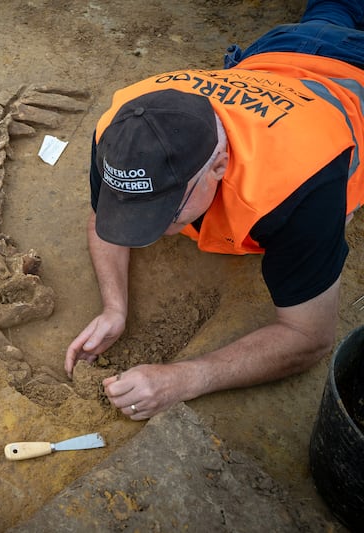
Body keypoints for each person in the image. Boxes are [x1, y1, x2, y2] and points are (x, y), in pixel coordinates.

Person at [65, 0, 364, 420]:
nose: (155, 233)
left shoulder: (298, 184)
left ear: (219, 165)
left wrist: (183, 379)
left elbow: (309, 337)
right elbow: (101, 219)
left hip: (354, 70)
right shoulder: (123, 127)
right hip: (275, 51)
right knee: (330, 11)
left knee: (337, 23)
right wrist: (114, 308)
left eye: (169, 211)